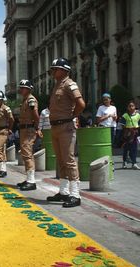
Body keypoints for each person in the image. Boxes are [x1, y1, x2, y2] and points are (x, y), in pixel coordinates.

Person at [45, 58, 85, 208]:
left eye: (55, 69)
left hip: (65, 127)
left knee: (69, 160)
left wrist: (72, 116)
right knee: (60, 160)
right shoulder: (57, 85)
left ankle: (75, 195)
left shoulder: (70, 84)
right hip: (55, 127)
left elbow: (81, 104)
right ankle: (63, 192)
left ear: (64, 70)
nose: (53, 71)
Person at [16, 80, 40, 191]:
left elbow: (36, 115)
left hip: (29, 129)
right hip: (24, 129)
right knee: (25, 153)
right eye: (20, 87)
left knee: (27, 153)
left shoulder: (30, 100)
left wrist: (37, 128)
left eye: (23, 87)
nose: (21, 89)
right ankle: (28, 178)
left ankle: (31, 181)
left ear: (29, 89)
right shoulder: (25, 100)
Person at [0, 91, 14, 177]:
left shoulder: (6, 109)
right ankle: (2, 169)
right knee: (1, 150)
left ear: (2, 100)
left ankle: (3, 169)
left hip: (3, 130)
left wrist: (10, 129)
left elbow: (11, 119)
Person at [121, 101, 140, 170]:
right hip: (127, 134)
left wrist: (136, 129)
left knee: (134, 149)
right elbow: (122, 125)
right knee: (126, 148)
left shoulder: (138, 115)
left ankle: (134, 163)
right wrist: (128, 129)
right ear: (127, 107)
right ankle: (124, 162)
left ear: (135, 107)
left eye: (132, 106)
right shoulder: (125, 115)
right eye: (130, 106)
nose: (131, 107)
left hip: (135, 134)